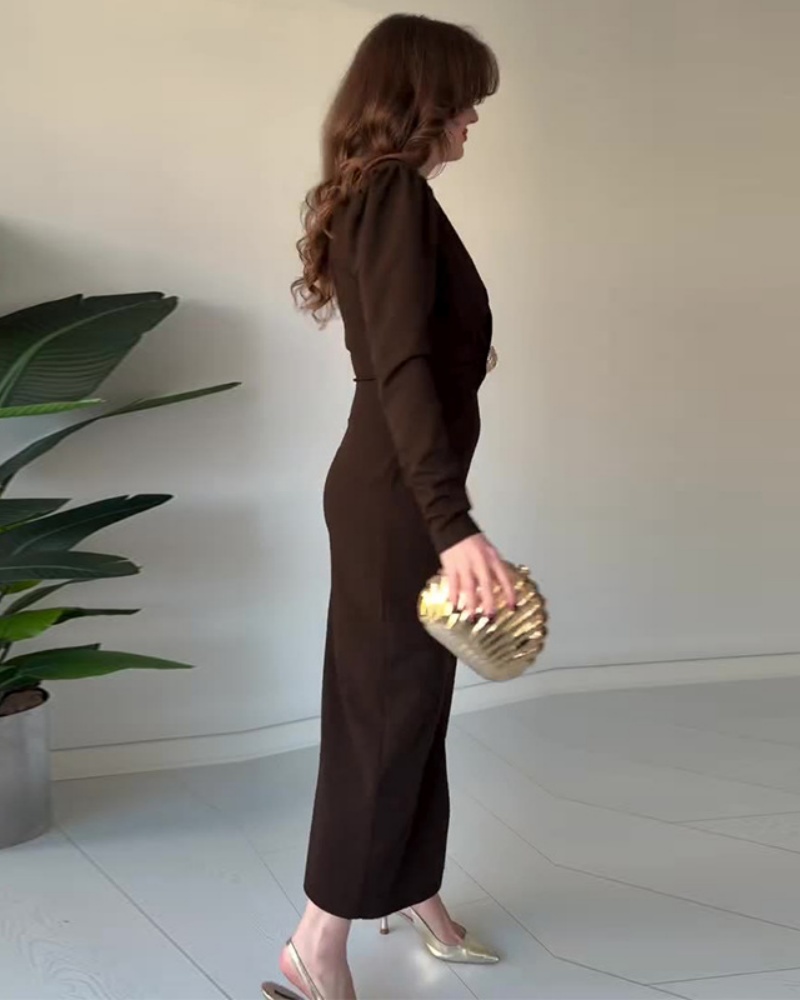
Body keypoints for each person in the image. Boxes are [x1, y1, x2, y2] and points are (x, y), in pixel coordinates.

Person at [262, 12, 516, 1000]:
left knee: (413, 704)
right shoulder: (396, 195)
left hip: (392, 488)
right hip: (395, 498)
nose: (472, 121)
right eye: (465, 102)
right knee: (384, 714)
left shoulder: (381, 196)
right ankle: (314, 945)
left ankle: (414, 890)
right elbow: (402, 370)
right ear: (423, 100)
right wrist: (453, 525)